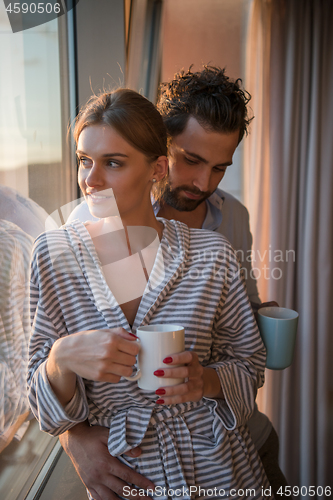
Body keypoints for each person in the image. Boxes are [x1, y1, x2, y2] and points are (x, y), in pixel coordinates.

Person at [27, 88, 272, 500]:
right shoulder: (53, 256)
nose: (91, 179)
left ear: (157, 168)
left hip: (223, 470)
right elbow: (38, 396)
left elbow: (250, 366)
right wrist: (61, 357)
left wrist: (204, 381)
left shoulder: (214, 253)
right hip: (125, 478)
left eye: (114, 163)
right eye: (85, 161)